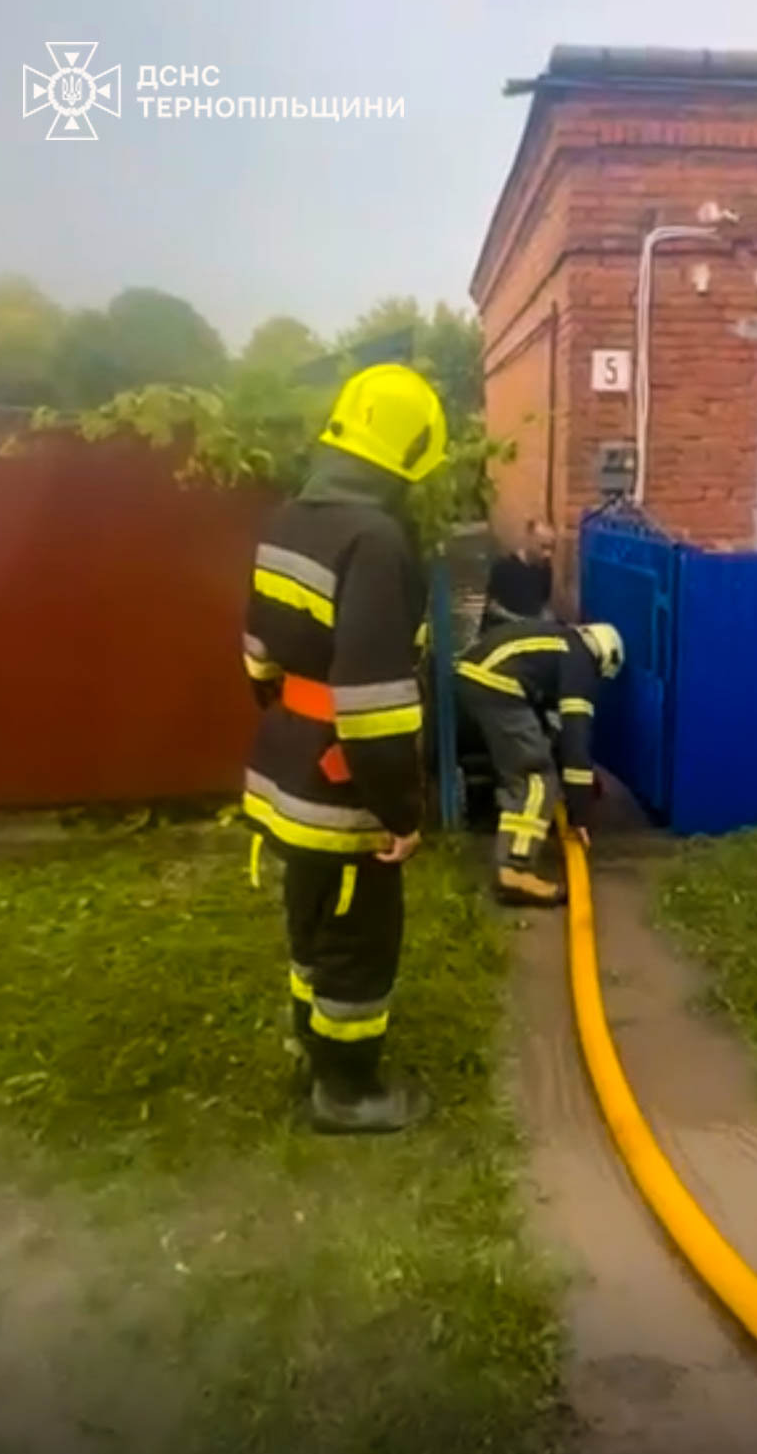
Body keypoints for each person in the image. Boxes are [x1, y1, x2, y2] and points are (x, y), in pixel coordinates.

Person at [241, 363, 447, 1135]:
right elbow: (373, 702)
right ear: (408, 452)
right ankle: (349, 1089)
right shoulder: (376, 538)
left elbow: (257, 652)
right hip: (344, 781)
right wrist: (400, 808)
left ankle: (312, 1046)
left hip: (288, 760)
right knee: (360, 931)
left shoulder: (288, 516)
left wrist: (293, 717)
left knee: (311, 911)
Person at [456, 620, 624, 905]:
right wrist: (579, 813)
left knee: (524, 764)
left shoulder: (560, 642)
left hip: (479, 677)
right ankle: (514, 869)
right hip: (498, 684)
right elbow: (576, 735)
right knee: (536, 777)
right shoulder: (580, 661)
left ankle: (509, 849)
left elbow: (552, 728)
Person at [480, 518, 556, 631]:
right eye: (543, 547)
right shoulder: (503, 568)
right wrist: (521, 621)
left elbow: (543, 604)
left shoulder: (545, 570)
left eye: (551, 548)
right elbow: (492, 609)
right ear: (529, 540)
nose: (548, 554)